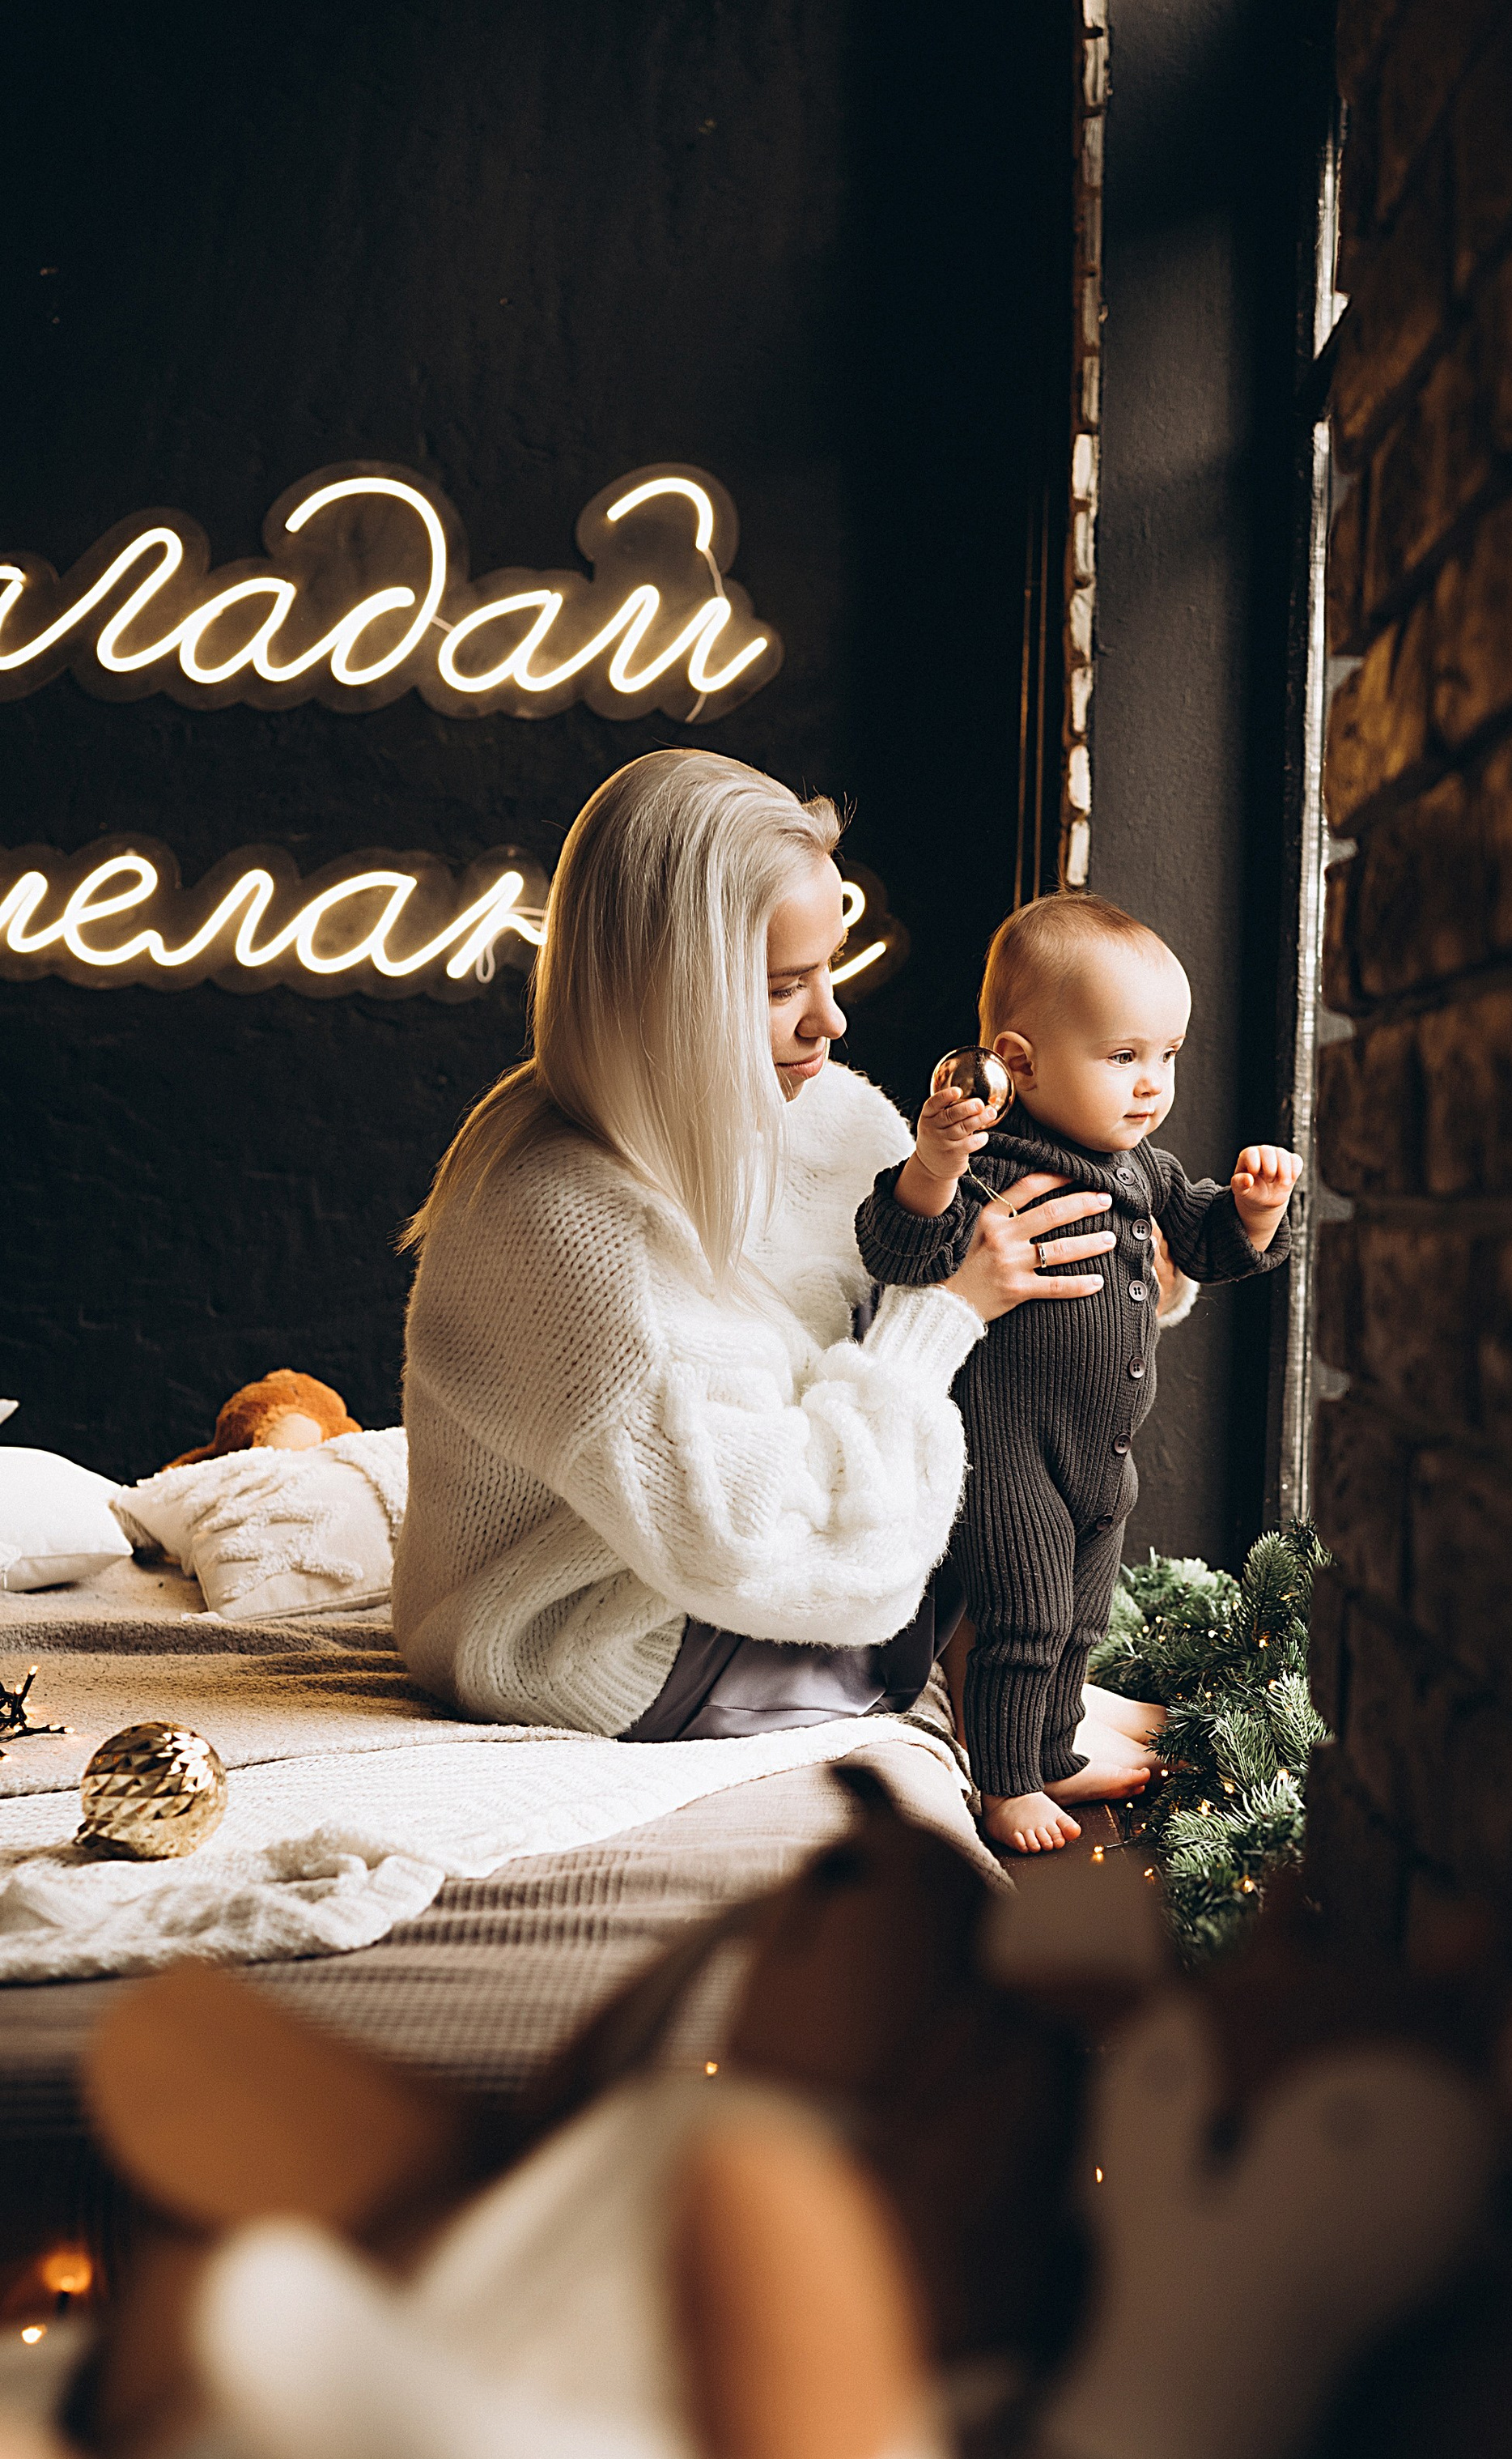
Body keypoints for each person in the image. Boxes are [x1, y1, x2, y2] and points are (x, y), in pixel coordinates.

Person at [392, 751, 1128, 1758]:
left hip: (742, 1569)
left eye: (831, 969)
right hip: (615, 1639)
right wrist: (942, 1318)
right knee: (949, 1355)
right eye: (786, 985)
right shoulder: (566, 1218)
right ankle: (1009, 1711)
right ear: (670, 988)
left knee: (1000, 1357)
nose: (831, 1018)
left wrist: (1115, 1262)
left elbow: (963, 1246)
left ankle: (1028, 1687)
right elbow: (776, 1550)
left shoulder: (811, 1103)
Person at [855, 891, 1302, 1855]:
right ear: (1017, 1061)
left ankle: (1052, 1746)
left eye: (1167, 1056)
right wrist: (933, 1163)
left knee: (1080, 1615)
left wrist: (1255, 1215)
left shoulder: (1145, 1167)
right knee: (1024, 1615)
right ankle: (1005, 1782)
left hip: (1103, 1450)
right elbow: (900, 1245)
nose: (1151, 1086)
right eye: (1122, 1056)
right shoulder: (990, 1164)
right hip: (1008, 1448)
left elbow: (1208, 1241)